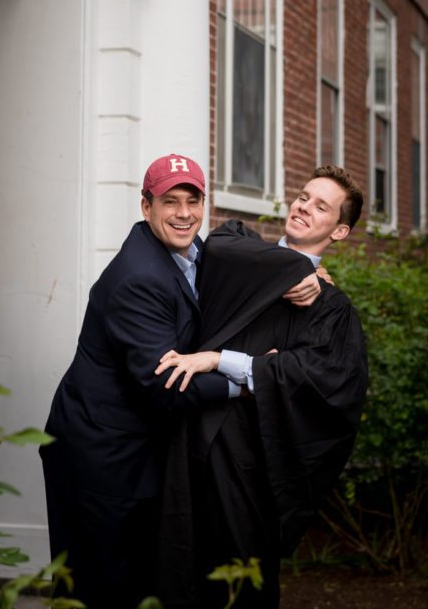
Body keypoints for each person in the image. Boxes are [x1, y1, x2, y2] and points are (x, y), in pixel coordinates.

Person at [40, 153, 317, 609]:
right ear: (145, 206)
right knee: (99, 589)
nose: (184, 213)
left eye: (193, 200)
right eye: (171, 201)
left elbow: (246, 262)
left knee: (144, 583)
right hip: (101, 455)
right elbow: (168, 387)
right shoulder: (139, 279)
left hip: (140, 447)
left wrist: (306, 273)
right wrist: (251, 378)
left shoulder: (192, 252)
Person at [156, 165, 369, 609]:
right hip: (184, 435)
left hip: (249, 457)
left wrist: (221, 360)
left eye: (321, 206)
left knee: (240, 576)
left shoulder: (331, 310)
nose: (304, 207)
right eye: (304, 196)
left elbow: (321, 380)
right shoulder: (242, 252)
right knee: (175, 563)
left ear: (341, 231)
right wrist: (292, 268)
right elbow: (220, 241)